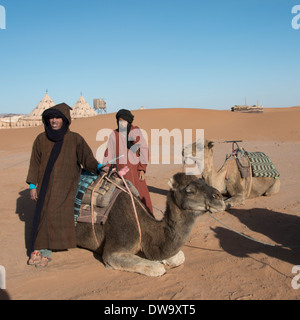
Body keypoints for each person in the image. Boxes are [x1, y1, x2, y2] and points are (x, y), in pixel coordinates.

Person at [26, 103, 101, 268]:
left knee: (55, 215)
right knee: (41, 215)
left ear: (65, 120)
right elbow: (34, 163)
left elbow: (87, 159)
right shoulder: (41, 139)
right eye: (51, 117)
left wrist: (99, 167)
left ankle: (47, 250)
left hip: (66, 186)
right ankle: (39, 248)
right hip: (44, 185)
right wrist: (32, 186)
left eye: (57, 117)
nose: (54, 121)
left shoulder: (75, 139)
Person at [103, 109, 153, 215]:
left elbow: (143, 149)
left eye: (124, 121)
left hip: (136, 171)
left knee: (141, 197)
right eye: (119, 121)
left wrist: (142, 169)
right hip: (121, 173)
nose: (122, 124)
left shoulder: (135, 132)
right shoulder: (114, 134)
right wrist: (106, 167)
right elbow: (109, 152)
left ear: (129, 121)